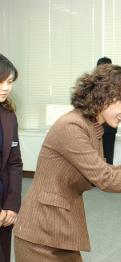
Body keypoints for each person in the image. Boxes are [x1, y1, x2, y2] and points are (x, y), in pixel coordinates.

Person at [13, 64, 121, 261]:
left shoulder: (89, 125)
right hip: (41, 233)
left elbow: (101, 169)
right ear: (105, 97)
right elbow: (105, 178)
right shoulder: (72, 126)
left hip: (59, 229)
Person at [0, 54, 23, 262]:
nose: (6, 88)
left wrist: (12, 205)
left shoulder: (8, 115)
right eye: (0, 82)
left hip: (4, 205)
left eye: (9, 82)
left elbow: (14, 163)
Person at [96, 57, 117, 164]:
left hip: (109, 127)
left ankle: (109, 179)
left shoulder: (116, 85)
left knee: (108, 159)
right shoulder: (92, 85)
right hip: (94, 127)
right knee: (95, 158)